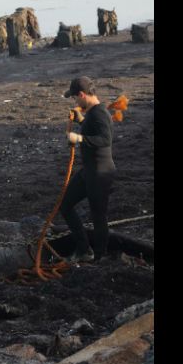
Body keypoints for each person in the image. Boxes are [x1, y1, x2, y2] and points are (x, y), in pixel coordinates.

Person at [61, 76, 116, 262]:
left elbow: (105, 139)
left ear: (82, 95)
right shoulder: (92, 113)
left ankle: (100, 256)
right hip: (89, 171)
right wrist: (81, 121)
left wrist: (80, 139)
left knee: (98, 216)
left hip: (101, 173)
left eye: (75, 98)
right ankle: (84, 249)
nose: (75, 102)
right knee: (65, 205)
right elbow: (92, 128)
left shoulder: (100, 113)